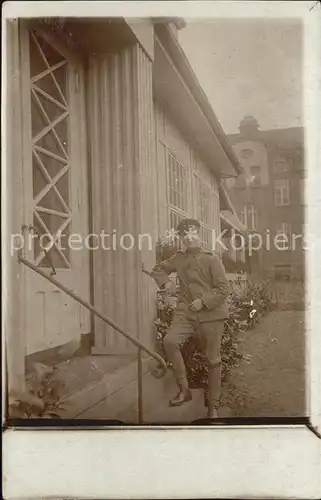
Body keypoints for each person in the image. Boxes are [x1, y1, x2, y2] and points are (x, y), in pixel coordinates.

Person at [151, 218, 230, 419]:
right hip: (186, 314)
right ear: (181, 238)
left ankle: (213, 406)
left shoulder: (212, 259)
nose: (189, 237)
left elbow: (223, 289)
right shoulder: (178, 259)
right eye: (184, 234)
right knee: (169, 342)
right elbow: (158, 269)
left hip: (211, 315)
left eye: (193, 232)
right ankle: (184, 390)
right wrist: (166, 284)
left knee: (213, 360)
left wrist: (203, 302)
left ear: (199, 235)